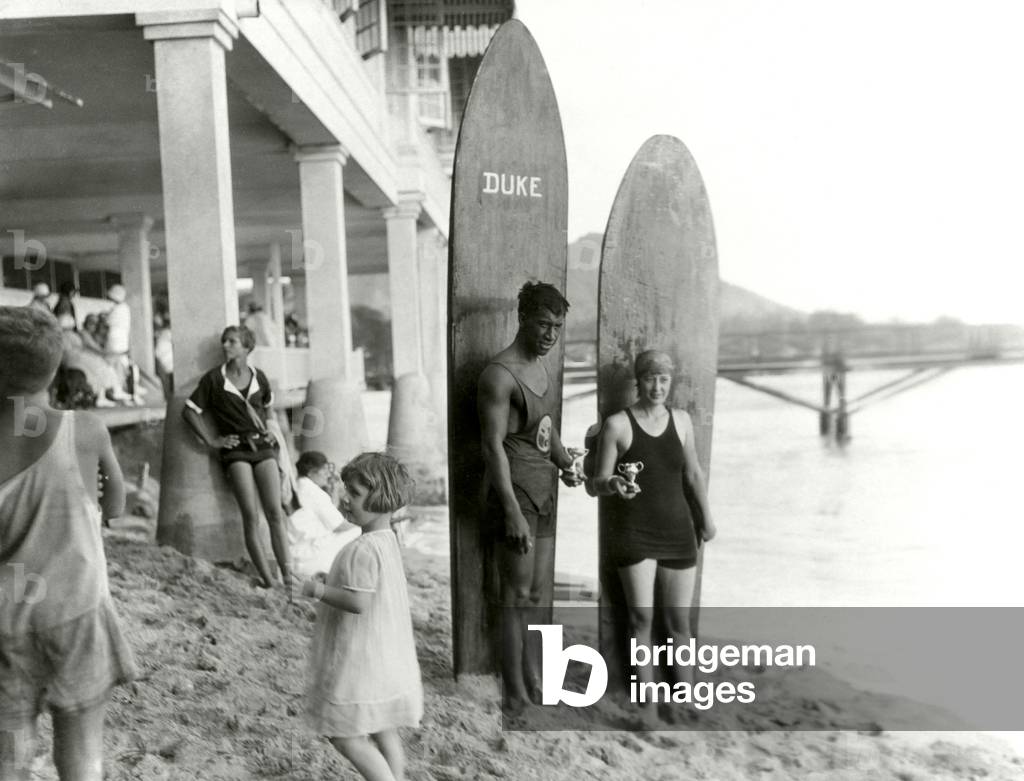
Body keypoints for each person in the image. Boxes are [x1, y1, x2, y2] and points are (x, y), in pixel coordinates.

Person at [0, 306, 136, 780]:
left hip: (6, 620)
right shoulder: (85, 429)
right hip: (76, 612)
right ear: (56, 368)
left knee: (9, 754)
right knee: (80, 753)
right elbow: (116, 506)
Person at [477, 281, 583, 712]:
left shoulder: (542, 368)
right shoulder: (499, 375)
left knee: (536, 595)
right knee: (515, 595)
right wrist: (510, 512)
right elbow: (491, 447)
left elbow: (544, 427)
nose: (550, 335)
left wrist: (565, 463)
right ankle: (514, 686)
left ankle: (533, 674)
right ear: (522, 319)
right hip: (514, 494)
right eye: (543, 324)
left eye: (557, 326)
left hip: (544, 491)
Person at [591, 349, 717, 697]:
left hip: (679, 531)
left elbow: (693, 473)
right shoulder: (618, 424)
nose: (657, 386)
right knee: (641, 620)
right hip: (634, 533)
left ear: (670, 381)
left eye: (663, 379)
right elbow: (596, 482)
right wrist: (612, 483)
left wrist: (706, 518)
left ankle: (686, 695)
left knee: (679, 623)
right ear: (639, 381)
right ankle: (646, 699)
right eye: (650, 378)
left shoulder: (682, 420)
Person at [302, 452, 421, 781]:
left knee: (345, 735)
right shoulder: (386, 540)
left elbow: (358, 602)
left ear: (380, 497)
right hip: (384, 653)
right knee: (383, 728)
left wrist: (318, 591)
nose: (345, 500)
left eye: (354, 493)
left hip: (360, 658)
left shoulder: (363, 548)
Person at [182, 325, 294, 594]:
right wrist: (212, 441)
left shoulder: (260, 377)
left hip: (263, 447)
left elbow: (269, 411)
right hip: (235, 451)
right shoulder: (213, 379)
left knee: (275, 513)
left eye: (233, 341)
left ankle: (289, 577)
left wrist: (278, 439)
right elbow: (189, 411)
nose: (226, 345)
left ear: (247, 347)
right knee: (250, 516)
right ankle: (268, 580)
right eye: (224, 341)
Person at [288, 451, 360, 579]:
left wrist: (335, 494)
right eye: (324, 470)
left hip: (294, 553)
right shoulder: (315, 493)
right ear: (311, 472)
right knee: (358, 532)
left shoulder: (300, 486)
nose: (328, 474)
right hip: (306, 559)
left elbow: (328, 518)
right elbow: (339, 526)